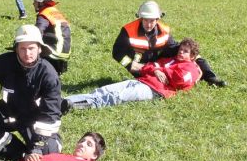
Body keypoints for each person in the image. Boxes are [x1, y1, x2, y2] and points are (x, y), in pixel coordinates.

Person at [0, 24, 63, 161]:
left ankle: (44, 146)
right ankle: (19, 155)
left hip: (35, 120)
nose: (27, 53)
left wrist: (38, 145)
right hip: (8, 113)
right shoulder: (5, 63)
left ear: (39, 48)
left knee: (47, 153)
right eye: (22, 48)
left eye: (31, 48)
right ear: (16, 48)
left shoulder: (48, 74)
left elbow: (50, 114)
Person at [112, 0, 225, 87]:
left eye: (152, 20)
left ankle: (210, 78)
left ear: (157, 19)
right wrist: (130, 65)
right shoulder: (128, 30)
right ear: (140, 18)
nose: (149, 24)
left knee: (193, 55)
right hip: (139, 65)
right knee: (153, 83)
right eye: (145, 20)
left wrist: (193, 58)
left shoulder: (164, 30)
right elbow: (117, 52)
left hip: (158, 62)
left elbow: (173, 48)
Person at [67, 39, 202, 110]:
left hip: (155, 90)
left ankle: (76, 105)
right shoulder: (169, 60)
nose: (181, 52)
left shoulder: (191, 69)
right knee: (105, 90)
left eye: (185, 51)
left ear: (192, 56)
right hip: (142, 81)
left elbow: (179, 79)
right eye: (180, 49)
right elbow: (147, 66)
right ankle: (66, 101)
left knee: (116, 96)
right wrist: (156, 70)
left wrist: (159, 69)